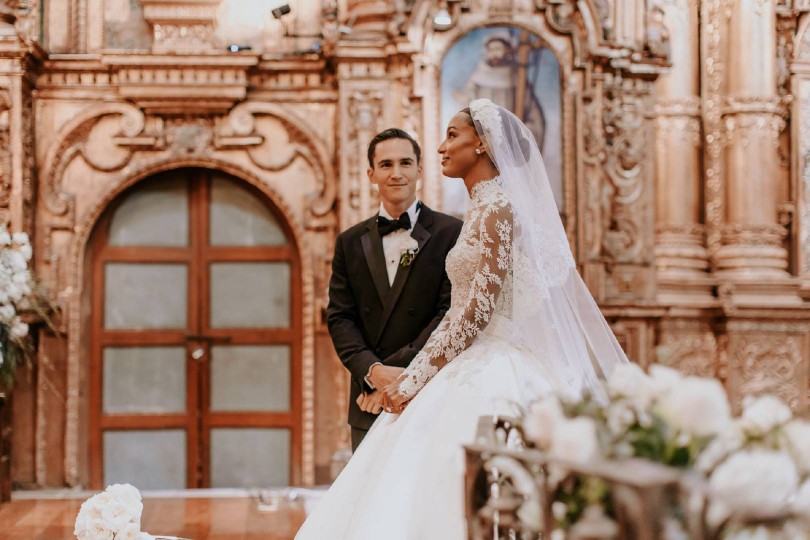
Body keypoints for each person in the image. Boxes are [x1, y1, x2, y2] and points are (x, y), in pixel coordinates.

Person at [296, 100, 628, 539]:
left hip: (492, 367)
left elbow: (474, 311)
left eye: (453, 135)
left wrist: (411, 381)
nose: (441, 147)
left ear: (484, 143)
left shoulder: (496, 210)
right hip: (468, 360)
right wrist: (397, 376)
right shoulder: (483, 209)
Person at [327, 128, 463, 451]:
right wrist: (373, 372)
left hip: (429, 387)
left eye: (405, 163)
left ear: (419, 169)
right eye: (386, 165)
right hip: (368, 400)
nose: (396, 173)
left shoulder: (451, 232)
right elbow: (340, 318)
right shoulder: (349, 242)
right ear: (371, 174)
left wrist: (401, 374)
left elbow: (449, 313)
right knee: (369, 498)